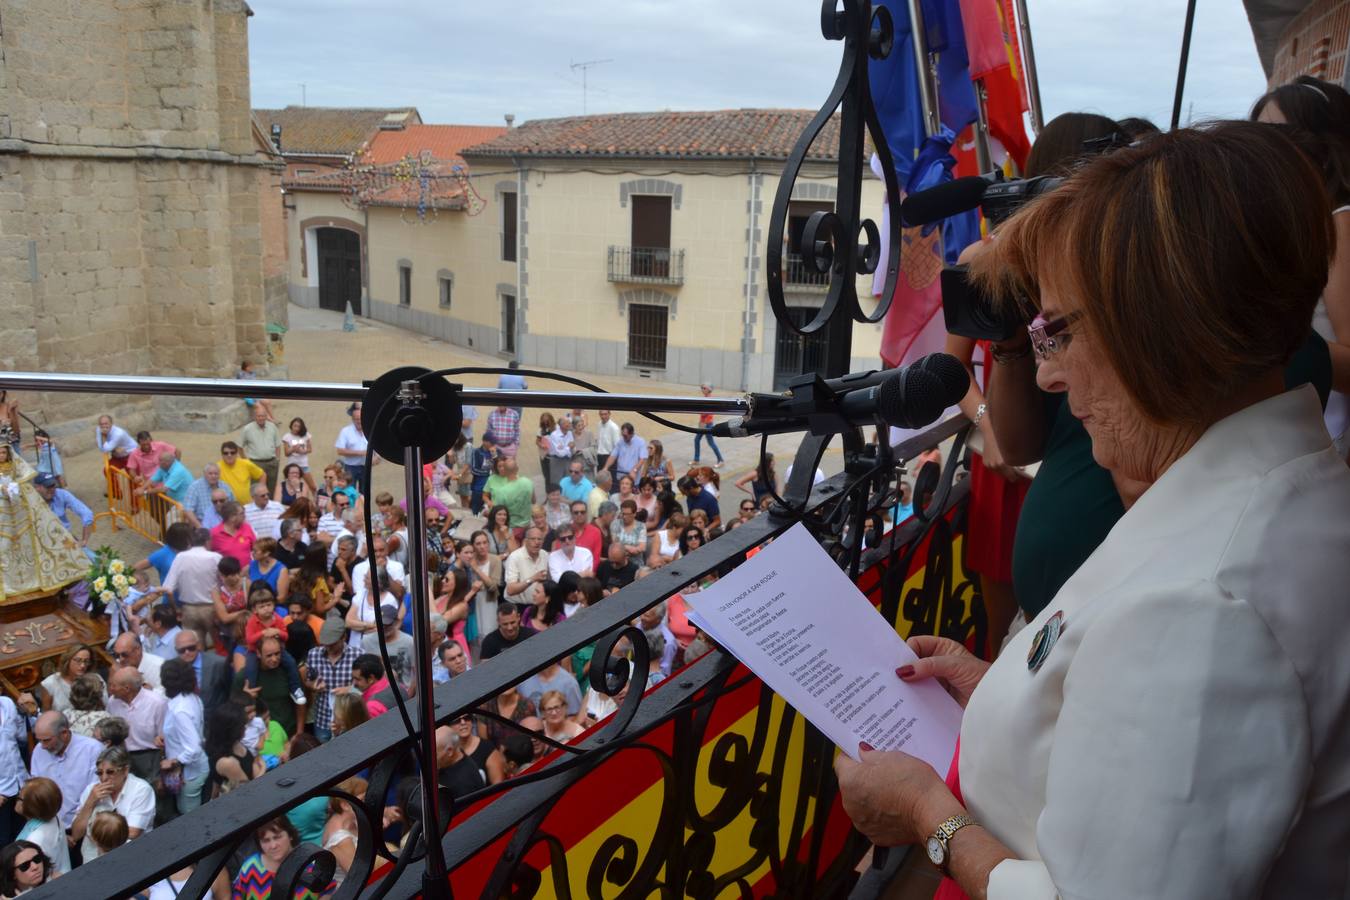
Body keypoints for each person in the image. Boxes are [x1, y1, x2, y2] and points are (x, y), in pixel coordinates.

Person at [833, 122, 1350, 899]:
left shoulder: (1204, 610)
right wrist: (1016, 696)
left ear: (1159, 334)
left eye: (1057, 333)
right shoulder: (1284, 484)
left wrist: (924, 813)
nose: (1048, 377)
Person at [0, 454, 88, 602]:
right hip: (3, 515)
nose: (1, 456)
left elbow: (22, 482)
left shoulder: (16, 468)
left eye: (4, 452)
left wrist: (16, 487)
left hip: (20, 513)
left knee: (31, 545)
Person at [71, 746, 154, 862]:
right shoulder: (91, 790)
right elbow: (76, 834)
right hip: (92, 859)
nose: (104, 778)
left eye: (110, 772)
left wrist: (94, 834)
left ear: (125, 770)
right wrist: (90, 802)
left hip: (130, 858)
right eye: (99, 773)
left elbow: (133, 833)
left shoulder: (141, 790)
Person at [231, 816, 331, 899]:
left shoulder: (309, 861)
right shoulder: (249, 868)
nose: (273, 845)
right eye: (266, 840)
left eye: (277, 837)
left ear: (290, 835)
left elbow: (330, 890)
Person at [104, 667, 167, 791]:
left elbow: (164, 737)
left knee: (155, 793)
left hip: (150, 757)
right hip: (123, 756)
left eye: (113, 686)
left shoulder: (157, 703)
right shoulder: (112, 702)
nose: (110, 690)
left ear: (126, 689)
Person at [159, 658, 207, 813]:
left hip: (189, 774)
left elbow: (193, 748)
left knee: (189, 819)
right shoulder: (192, 698)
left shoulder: (180, 710)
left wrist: (173, 762)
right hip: (195, 769)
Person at [303, 617, 360, 743]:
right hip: (322, 719)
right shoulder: (313, 654)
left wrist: (350, 689)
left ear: (343, 637)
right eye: (325, 644)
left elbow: (366, 688)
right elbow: (308, 680)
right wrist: (312, 686)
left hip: (346, 722)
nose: (328, 648)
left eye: (332, 644)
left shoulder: (358, 656)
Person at [234, 636, 301, 738]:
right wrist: (245, 698)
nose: (274, 659)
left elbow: (300, 702)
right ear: (258, 654)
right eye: (269, 656)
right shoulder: (244, 677)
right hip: (262, 737)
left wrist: (299, 732)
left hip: (290, 731)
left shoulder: (289, 672)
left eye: (277, 654)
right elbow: (233, 711)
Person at [205, 703, 262, 799]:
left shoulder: (236, 743)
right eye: (242, 725)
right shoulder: (227, 762)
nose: (245, 728)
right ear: (232, 730)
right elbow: (249, 793)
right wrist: (263, 768)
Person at [15, 779, 69, 875]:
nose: (17, 799)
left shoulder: (32, 841)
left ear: (31, 806)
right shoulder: (54, 817)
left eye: (20, 797)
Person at [175, 629, 231, 714]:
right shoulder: (173, 668)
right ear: (176, 650)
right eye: (182, 650)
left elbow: (230, 691)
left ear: (198, 645)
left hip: (216, 719)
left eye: (191, 648)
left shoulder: (218, 663)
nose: (187, 652)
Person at [449, 714, 505, 785]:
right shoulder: (448, 754)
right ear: (448, 726)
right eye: (456, 721)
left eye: (467, 718)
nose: (463, 722)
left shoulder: (487, 748)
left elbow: (498, 786)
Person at [483, 457, 533, 528]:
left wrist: (488, 514)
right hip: (521, 521)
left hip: (508, 522)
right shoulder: (491, 479)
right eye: (499, 466)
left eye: (504, 466)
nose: (502, 468)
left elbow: (498, 511)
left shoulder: (504, 490)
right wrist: (489, 502)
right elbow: (485, 495)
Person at [210, 501, 256, 570]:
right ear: (232, 517)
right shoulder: (214, 533)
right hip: (227, 577)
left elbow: (256, 548)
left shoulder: (247, 527)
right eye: (242, 513)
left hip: (248, 575)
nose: (245, 516)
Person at [181, 464, 228, 530]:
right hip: (201, 523)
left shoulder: (224, 486)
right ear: (205, 474)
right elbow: (188, 510)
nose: (213, 476)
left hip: (223, 524)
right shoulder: (195, 487)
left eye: (216, 474)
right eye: (210, 474)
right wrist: (200, 527)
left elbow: (231, 505)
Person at [334, 403, 369, 488]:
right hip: (350, 467)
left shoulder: (368, 431)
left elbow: (375, 449)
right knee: (349, 489)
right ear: (353, 419)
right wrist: (361, 453)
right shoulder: (346, 431)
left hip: (365, 467)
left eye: (360, 419)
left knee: (365, 492)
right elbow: (340, 450)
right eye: (356, 419)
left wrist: (377, 458)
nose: (359, 421)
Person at [281, 417, 317, 495]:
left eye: (299, 426)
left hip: (303, 465)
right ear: (291, 426)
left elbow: (310, 449)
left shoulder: (306, 435)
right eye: (295, 426)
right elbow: (286, 453)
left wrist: (303, 451)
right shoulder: (287, 437)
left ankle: (316, 503)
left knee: (313, 487)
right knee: (291, 487)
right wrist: (293, 448)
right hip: (292, 466)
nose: (296, 428)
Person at [594, 410, 620, 474]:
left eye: (605, 414)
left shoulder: (614, 427)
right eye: (601, 414)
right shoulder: (599, 424)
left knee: (609, 479)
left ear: (609, 414)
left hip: (609, 457)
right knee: (600, 479)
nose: (603, 416)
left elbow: (616, 446)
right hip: (599, 456)